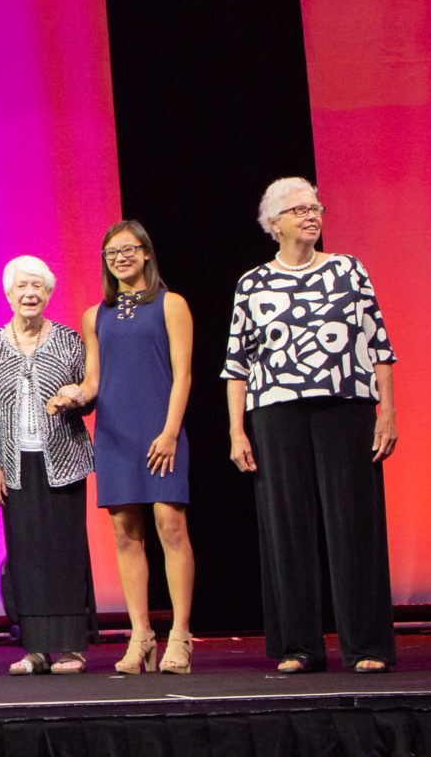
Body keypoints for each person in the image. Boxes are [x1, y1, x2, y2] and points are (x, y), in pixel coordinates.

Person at [224, 178, 398, 674]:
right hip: (276, 411)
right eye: (298, 210)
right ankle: (298, 645)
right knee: (288, 526)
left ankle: (366, 645)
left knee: (354, 525)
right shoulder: (252, 283)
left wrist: (387, 411)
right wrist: (237, 431)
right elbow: (237, 363)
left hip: (346, 405)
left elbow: (379, 346)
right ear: (273, 224)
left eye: (315, 207)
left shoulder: (348, 269)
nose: (311, 215)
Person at [64, 221, 199, 675]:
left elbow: (183, 375)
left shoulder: (171, 304)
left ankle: (180, 634)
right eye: (110, 252)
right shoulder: (95, 314)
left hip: (161, 429)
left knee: (170, 524)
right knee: (126, 532)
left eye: (128, 249)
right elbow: (95, 380)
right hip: (116, 434)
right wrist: (75, 395)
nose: (119, 257)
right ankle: (141, 635)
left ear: (146, 253)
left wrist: (170, 431)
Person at [0, 258, 96, 673]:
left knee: (65, 552)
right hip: (14, 464)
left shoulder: (67, 339)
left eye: (38, 287)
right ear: (8, 294)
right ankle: (35, 650)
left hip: (63, 459)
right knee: (25, 555)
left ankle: (71, 648)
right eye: (22, 286)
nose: (30, 293)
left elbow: (90, 393)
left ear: (48, 294)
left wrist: (75, 395)